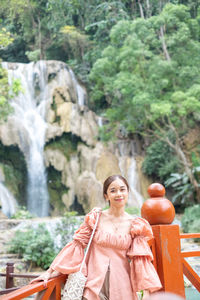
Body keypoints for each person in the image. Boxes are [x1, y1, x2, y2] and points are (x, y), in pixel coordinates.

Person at [31, 174, 162, 300]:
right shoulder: (96, 218)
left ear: (128, 192)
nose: (119, 194)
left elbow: (141, 261)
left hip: (122, 285)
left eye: (122, 190)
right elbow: (77, 245)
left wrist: (146, 293)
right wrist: (51, 271)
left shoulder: (135, 225)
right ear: (106, 196)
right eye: (113, 191)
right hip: (93, 283)